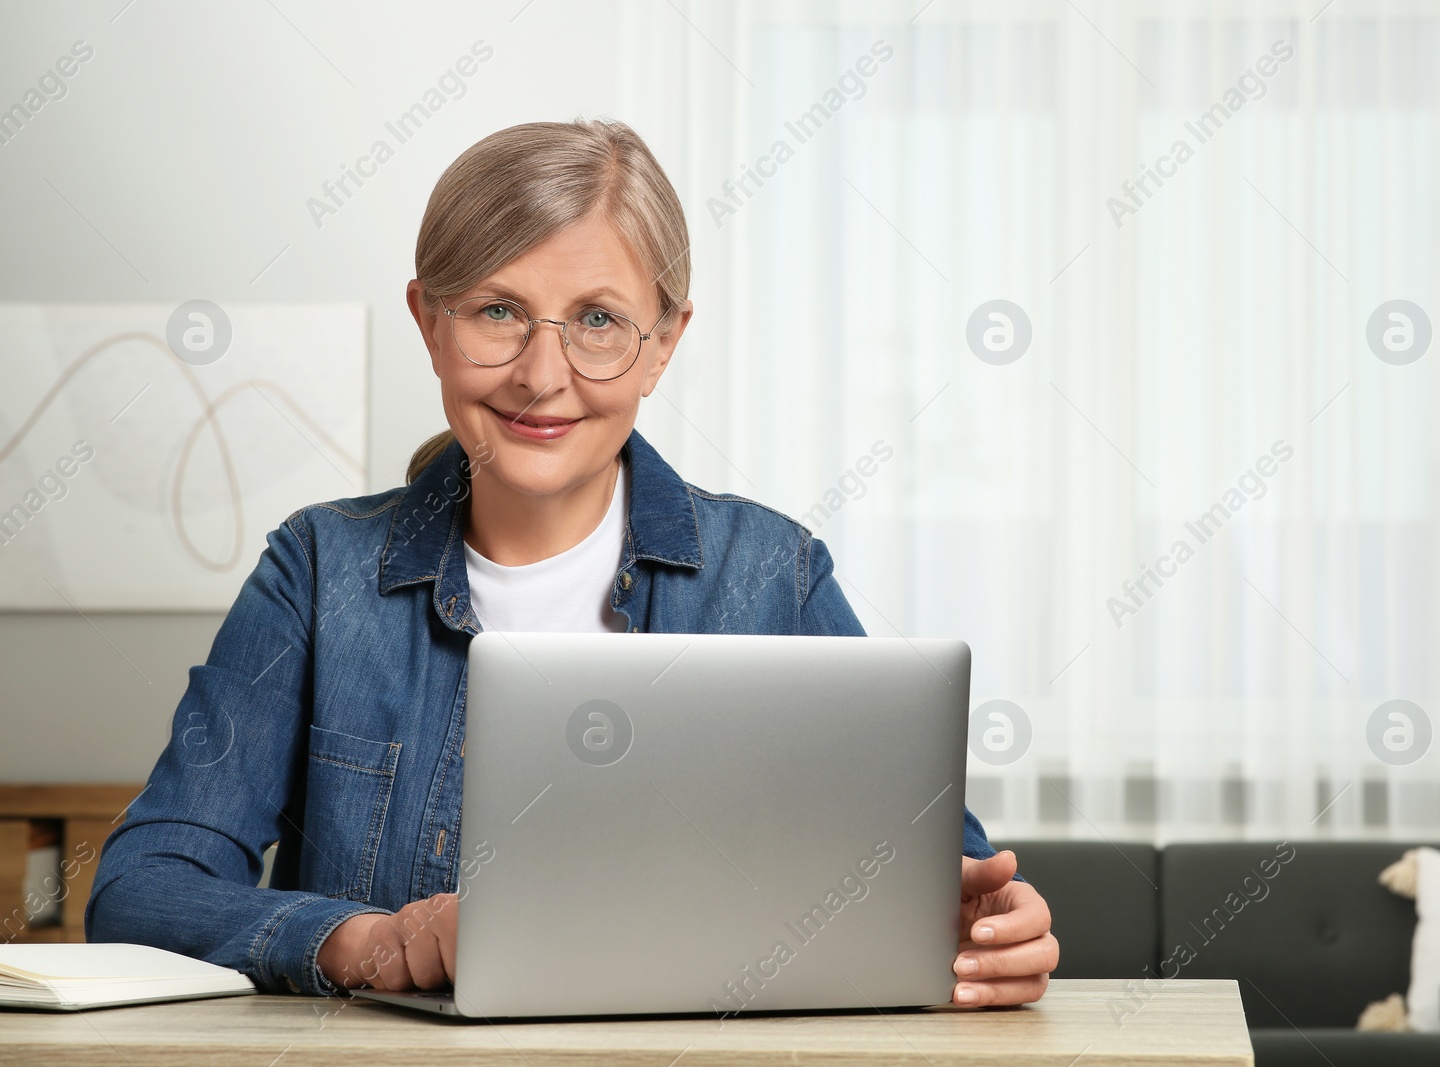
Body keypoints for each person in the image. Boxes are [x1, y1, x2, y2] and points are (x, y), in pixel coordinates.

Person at [86, 118, 1058, 1007]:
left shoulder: (770, 571)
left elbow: (941, 877)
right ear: (431, 322)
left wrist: (991, 927)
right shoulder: (317, 568)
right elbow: (140, 887)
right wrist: (366, 939)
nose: (542, 376)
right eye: (498, 310)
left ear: (662, 344)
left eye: (598, 319)